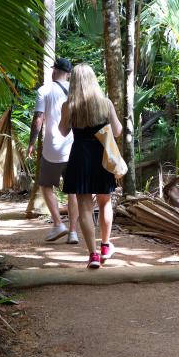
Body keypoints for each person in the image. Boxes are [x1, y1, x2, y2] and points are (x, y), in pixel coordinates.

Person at [58, 64, 123, 269]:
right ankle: (105, 246)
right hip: (102, 157)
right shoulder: (105, 104)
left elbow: (63, 132)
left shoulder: (69, 105)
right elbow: (118, 131)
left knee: (84, 207)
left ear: (74, 81)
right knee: (105, 203)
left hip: (79, 157)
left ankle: (93, 255)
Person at [27, 58, 79, 243]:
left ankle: (58, 223)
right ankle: (73, 232)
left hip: (52, 149)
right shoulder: (76, 92)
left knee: (46, 185)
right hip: (74, 147)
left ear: (55, 71)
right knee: (73, 190)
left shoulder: (44, 90)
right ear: (69, 74)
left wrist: (31, 143)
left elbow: (38, 119)